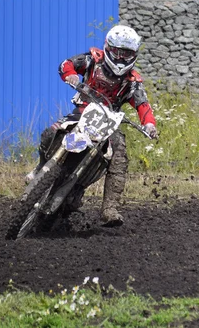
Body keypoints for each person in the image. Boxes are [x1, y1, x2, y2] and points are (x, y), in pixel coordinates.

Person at [26, 24, 158, 227]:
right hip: (82, 112)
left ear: (134, 55)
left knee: (119, 153)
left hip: (109, 123)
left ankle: (109, 208)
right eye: (118, 52)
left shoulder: (132, 81)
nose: (121, 58)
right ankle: (40, 168)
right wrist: (69, 74)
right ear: (108, 48)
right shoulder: (92, 60)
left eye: (127, 54)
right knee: (50, 133)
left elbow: (143, 105)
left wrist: (149, 125)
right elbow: (67, 64)